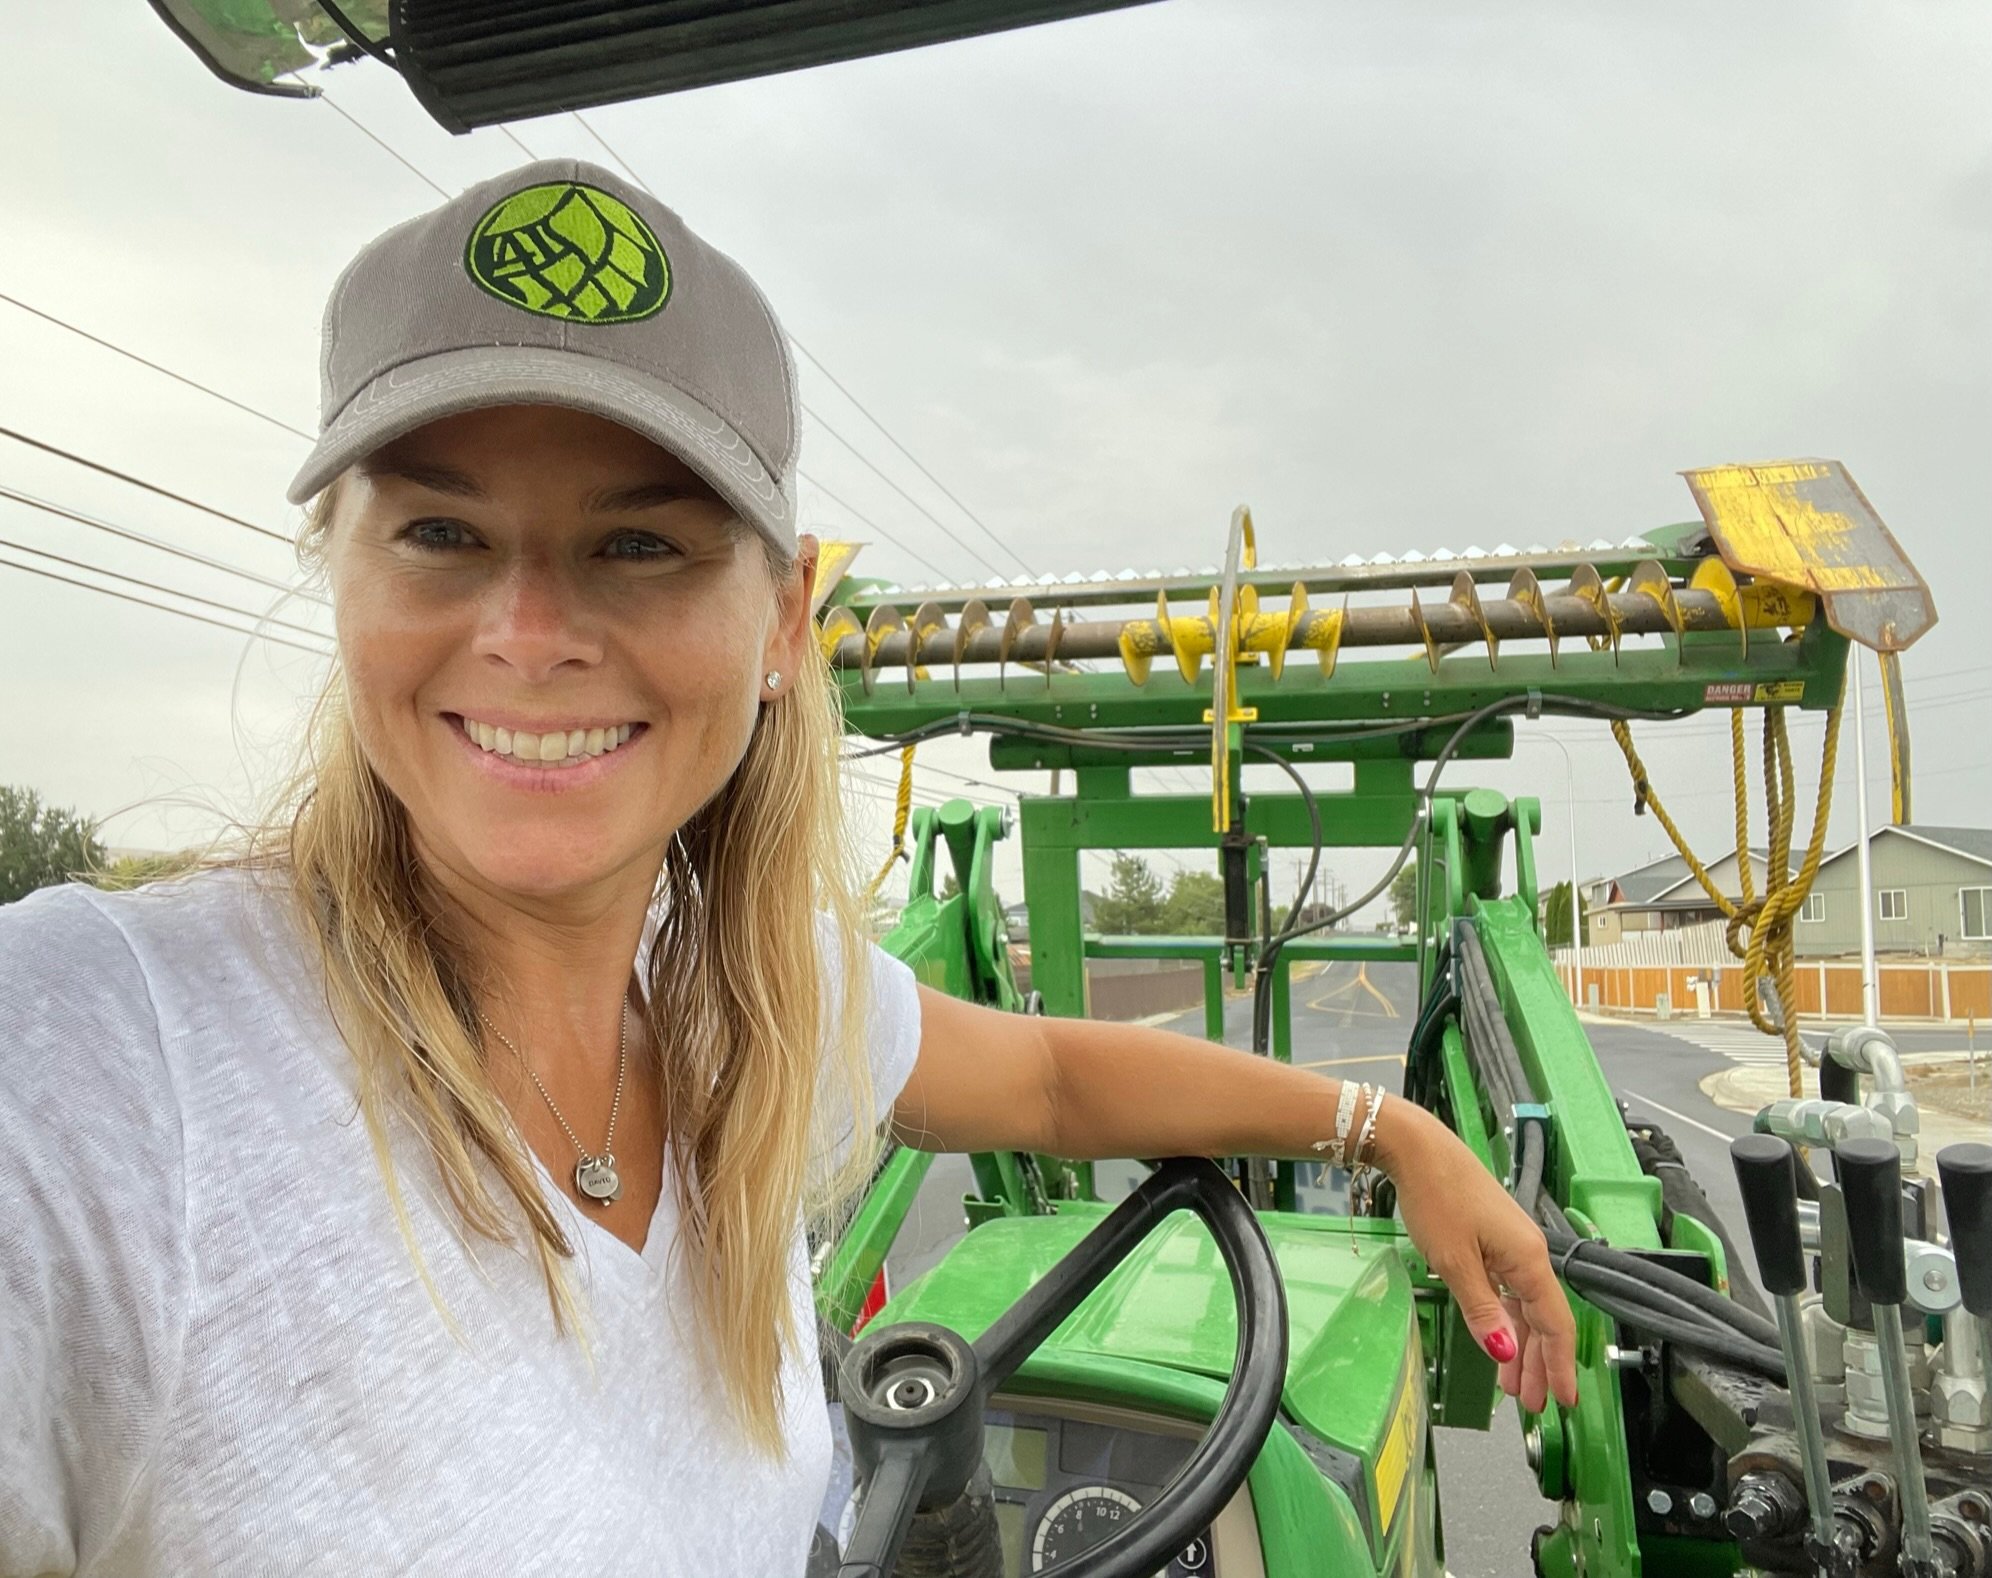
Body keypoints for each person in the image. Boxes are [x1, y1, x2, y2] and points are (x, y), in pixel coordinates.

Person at [0, 160, 1575, 1576]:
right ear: (338, 566)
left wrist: (1394, 1130)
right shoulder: (99, 1074)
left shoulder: (734, 996)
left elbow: (1036, 1085)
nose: (531, 632)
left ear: (781, 619)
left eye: (640, 542)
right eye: (440, 534)